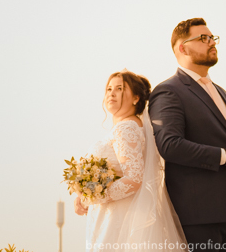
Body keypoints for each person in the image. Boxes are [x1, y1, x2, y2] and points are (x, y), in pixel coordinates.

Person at [148, 19, 226, 252]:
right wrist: (225, 157)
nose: (211, 43)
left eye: (212, 38)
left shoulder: (222, 92)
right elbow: (169, 145)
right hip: (199, 215)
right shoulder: (168, 91)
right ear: (182, 48)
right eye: (203, 38)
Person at [75, 70, 187, 252]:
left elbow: (134, 179)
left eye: (120, 89)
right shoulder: (132, 126)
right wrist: (84, 192)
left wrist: (92, 197)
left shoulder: (126, 128)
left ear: (136, 98)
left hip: (120, 220)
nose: (112, 93)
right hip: (119, 214)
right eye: (109, 88)